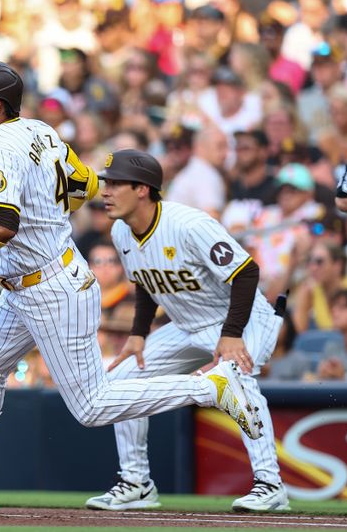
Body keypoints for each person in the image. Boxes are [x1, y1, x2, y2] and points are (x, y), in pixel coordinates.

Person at [0, 61, 262, 496]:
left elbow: (2, 225)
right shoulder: (39, 130)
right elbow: (85, 184)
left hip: (49, 288)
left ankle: (210, 387)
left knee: (91, 406)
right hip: (29, 281)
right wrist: (46, 209)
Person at [85, 149, 288, 513]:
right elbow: (145, 281)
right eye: (106, 183)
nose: (106, 191)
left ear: (143, 189)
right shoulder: (121, 230)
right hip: (187, 325)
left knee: (235, 379)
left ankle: (270, 483)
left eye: (115, 183)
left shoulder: (189, 224)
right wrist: (138, 334)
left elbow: (246, 272)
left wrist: (231, 333)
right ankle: (136, 483)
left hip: (241, 319)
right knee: (120, 381)